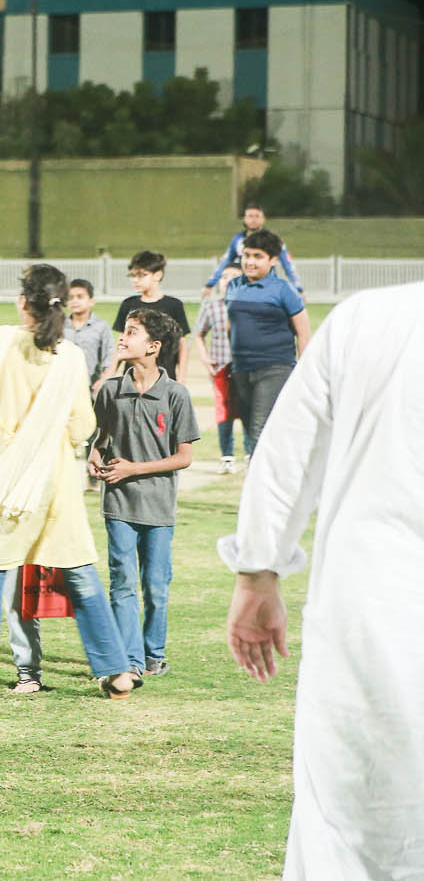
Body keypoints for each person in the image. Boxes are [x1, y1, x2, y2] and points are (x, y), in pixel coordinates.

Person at [220, 281, 423, 879]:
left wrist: (258, 572)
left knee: (347, 819)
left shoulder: (368, 319)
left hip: (369, 608)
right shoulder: (365, 319)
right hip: (369, 602)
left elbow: (287, 453)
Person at [0, 265, 137, 701]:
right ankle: (117, 673)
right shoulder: (70, 356)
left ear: (24, 302)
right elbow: (81, 427)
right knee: (79, 574)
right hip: (52, 485)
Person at [91, 309, 197, 679]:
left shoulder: (176, 395)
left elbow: (184, 457)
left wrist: (133, 469)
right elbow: (101, 438)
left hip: (159, 508)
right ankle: (131, 661)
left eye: (132, 332)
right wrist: (94, 456)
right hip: (118, 503)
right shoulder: (110, 390)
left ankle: (154, 654)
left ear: (153, 346)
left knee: (156, 587)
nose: (122, 337)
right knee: (122, 583)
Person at [224, 229, 310, 456]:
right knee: (250, 427)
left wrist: (303, 371)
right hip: (241, 370)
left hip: (275, 369)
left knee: (259, 428)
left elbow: (303, 332)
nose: (250, 262)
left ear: (272, 260)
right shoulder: (233, 287)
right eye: (246, 255)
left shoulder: (284, 290)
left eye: (257, 256)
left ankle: (258, 477)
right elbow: (231, 326)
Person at [112, 251, 190, 382]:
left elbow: (182, 344)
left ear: (157, 275)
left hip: (165, 377)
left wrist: (182, 378)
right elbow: (121, 343)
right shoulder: (128, 304)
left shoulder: (174, 305)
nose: (135, 280)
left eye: (142, 275)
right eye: (133, 275)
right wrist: (110, 372)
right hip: (133, 378)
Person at [203, 202, 302, 298]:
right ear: (244, 219)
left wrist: (298, 288)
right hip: (245, 288)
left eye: (257, 216)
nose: (253, 220)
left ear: (263, 219)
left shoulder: (273, 240)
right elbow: (225, 262)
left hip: (268, 288)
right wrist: (210, 284)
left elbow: (288, 265)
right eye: (250, 216)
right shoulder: (238, 240)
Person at [193, 271, 240, 472]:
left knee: (248, 410)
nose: (227, 281)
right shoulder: (212, 307)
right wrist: (205, 358)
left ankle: (251, 454)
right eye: (224, 277)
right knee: (224, 411)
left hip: (245, 367)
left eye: (233, 276)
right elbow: (198, 333)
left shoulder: (247, 306)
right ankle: (227, 456)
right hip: (220, 367)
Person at [63, 279, 115, 395]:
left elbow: (109, 355)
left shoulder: (101, 327)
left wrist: (104, 379)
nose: (75, 301)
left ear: (91, 301)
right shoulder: (59, 326)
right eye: (71, 297)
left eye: (80, 297)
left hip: (90, 388)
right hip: (63, 386)